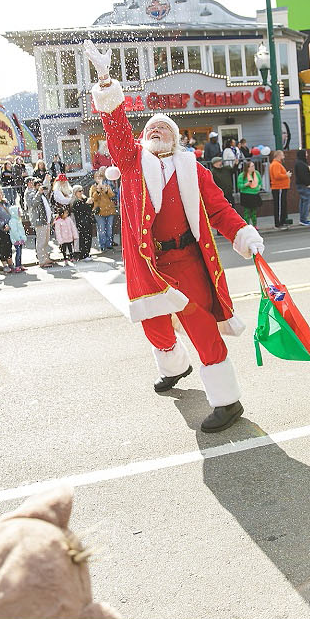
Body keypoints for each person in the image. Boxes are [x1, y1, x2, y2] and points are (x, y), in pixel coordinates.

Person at [88, 47, 262, 430]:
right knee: (156, 326)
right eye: (150, 127)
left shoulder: (192, 169)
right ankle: (175, 366)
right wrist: (106, 85)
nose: (156, 130)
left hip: (186, 261)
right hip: (148, 263)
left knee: (200, 325)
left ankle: (227, 401)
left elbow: (218, 209)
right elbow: (117, 131)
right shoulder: (132, 160)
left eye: (164, 128)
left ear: (177, 139)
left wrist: (243, 235)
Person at [24, 182, 54, 267]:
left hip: (46, 221)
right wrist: (39, 193)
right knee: (41, 241)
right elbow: (33, 204)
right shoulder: (31, 193)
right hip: (39, 221)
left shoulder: (42, 194)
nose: (40, 187)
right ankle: (42, 260)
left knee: (46, 241)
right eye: (38, 185)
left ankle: (46, 258)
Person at [88, 170, 117, 252]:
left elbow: (112, 195)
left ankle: (109, 244)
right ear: (95, 179)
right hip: (99, 211)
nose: (99, 179)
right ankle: (102, 245)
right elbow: (93, 198)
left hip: (109, 210)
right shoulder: (93, 187)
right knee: (101, 230)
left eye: (100, 177)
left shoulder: (107, 185)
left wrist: (106, 190)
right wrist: (97, 191)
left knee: (109, 229)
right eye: (97, 177)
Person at [269, 150, 292, 229]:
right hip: (278, 187)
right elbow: (277, 176)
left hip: (281, 187)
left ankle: (282, 221)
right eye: (282, 155)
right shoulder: (276, 164)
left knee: (282, 205)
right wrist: (286, 175)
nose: (284, 156)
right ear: (278, 155)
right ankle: (278, 223)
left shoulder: (277, 164)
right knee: (279, 205)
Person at [237, 158, 263, 226]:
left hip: (255, 194)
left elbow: (260, 181)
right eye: (252, 166)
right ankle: (247, 226)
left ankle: (255, 225)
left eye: (253, 166)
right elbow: (239, 186)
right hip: (246, 195)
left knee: (254, 212)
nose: (253, 167)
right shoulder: (242, 175)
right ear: (247, 168)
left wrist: (259, 186)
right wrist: (246, 184)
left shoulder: (257, 173)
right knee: (247, 212)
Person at [71, 186, 95, 260]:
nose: (81, 192)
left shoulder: (84, 199)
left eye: (82, 191)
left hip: (87, 221)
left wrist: (91, 203)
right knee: (83, 238)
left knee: (89, 238)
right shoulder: (75, 202)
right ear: (75, 193)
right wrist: (87, 204)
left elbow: (89, 209)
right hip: (81, 222)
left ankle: (87, 253)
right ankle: (83, 254)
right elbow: (82, 209)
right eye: (79, 191)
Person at [294, 149, 310, 226]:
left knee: (303, 201)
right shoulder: (301, 164)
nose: (307, 155)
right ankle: (303, 219)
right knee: (306, 202)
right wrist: (308, 183)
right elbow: (303, 175)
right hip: (304, 185)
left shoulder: (300, 163)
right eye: (306, 153)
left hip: (302, 184)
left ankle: (303, 218)